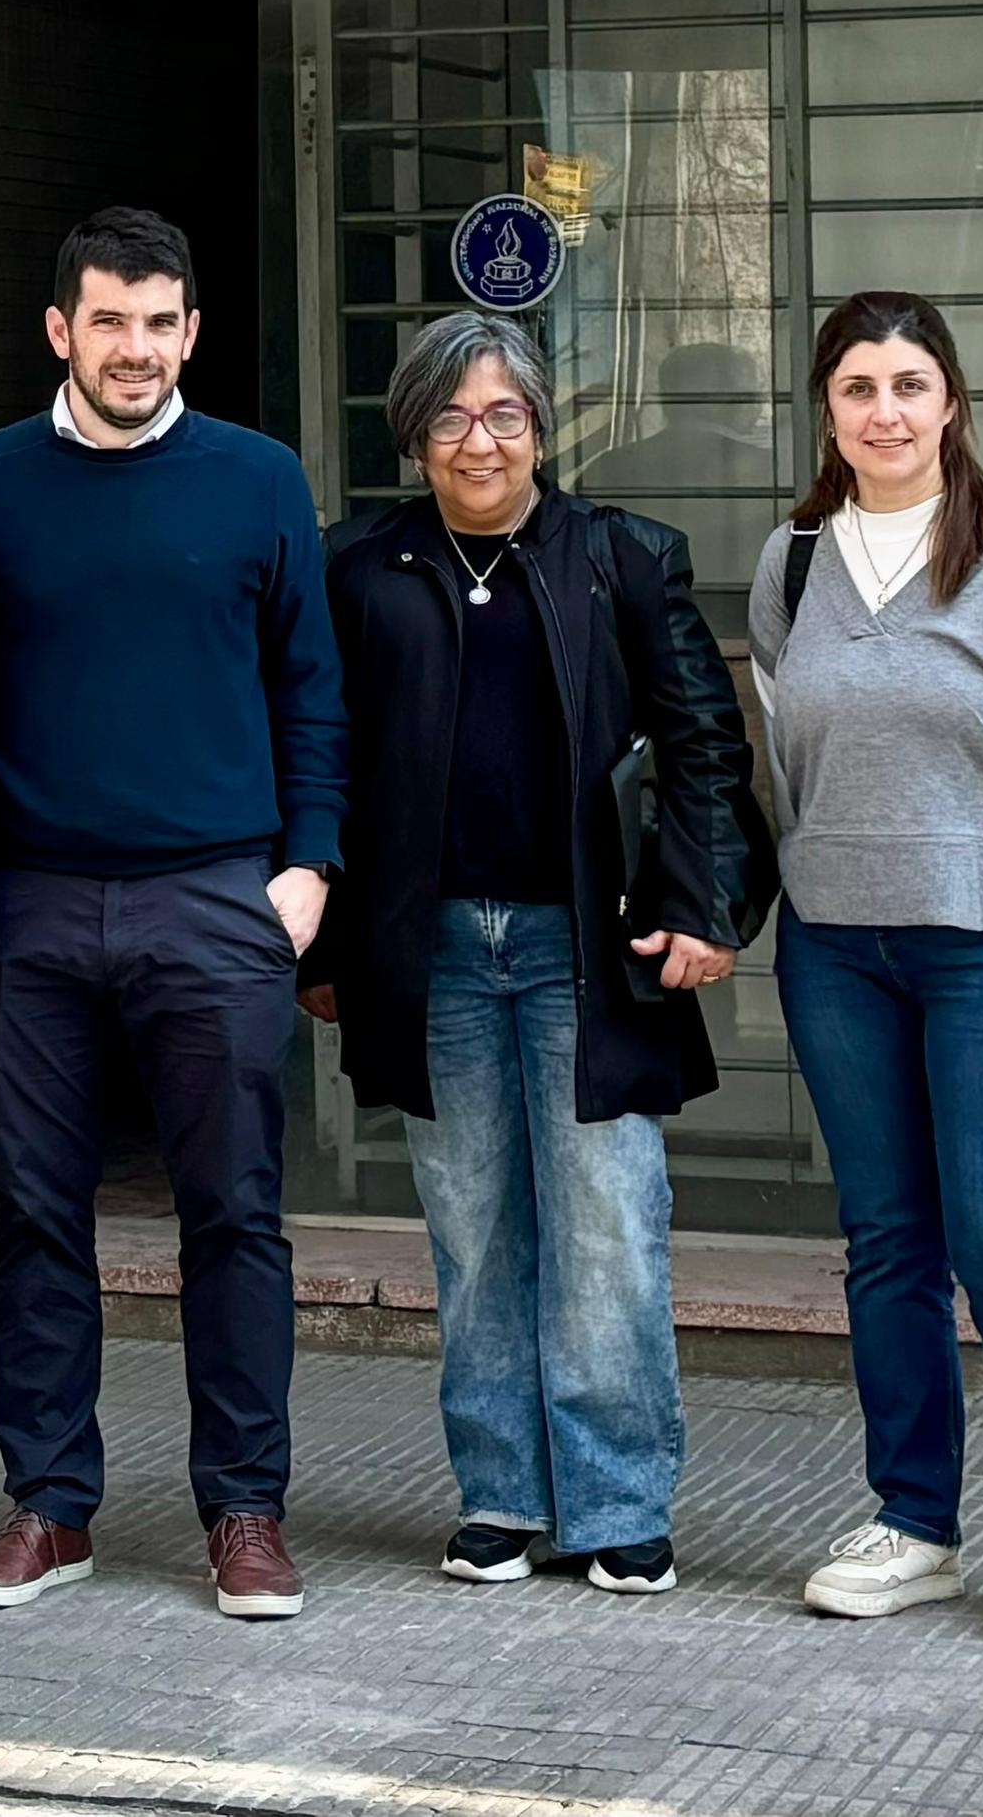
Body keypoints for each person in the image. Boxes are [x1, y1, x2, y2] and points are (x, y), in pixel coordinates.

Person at [0, 206, 348, 1621]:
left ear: (192, 331)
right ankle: (51, 1505)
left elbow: (310, 685)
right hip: (29, 901)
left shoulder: (258, 477)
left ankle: (245, 1509)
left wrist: (308, 868)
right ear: (60, 328)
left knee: (235, 1213)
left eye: (162, 322)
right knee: (33, 1212)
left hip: (217, 893)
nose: (136, 347)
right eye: (109, 320)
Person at [310, 310, 769, 1600]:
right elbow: (325, 768)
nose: (479, 439)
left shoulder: (621, 558)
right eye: (450, 417)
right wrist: (330, 949)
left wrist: (708, 906)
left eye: (504, 413)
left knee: (608, 1227)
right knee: (472, 1230)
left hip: (589, 945)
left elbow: (704, 752)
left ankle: (619, 1502)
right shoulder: (359, 570)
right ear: (414, 436)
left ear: (542, 427)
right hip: (434, 950)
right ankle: (502, 1497)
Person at [751, 290, 983, 1644]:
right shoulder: (792, 562)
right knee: (886, 1243)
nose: (886, 411)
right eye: (858, 388)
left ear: (951, 400)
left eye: (911, 384)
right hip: (837, 946)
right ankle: (914, 1518)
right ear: (828, 408)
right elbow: (798, 751)